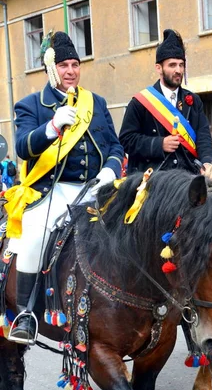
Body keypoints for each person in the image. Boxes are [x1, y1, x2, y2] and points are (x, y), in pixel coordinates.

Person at [5, 31, 124, 344]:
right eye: (64, 65)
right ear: (50, 69)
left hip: (96, 187)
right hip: (52, 190)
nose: (71, 70)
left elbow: (114, 144)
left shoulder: (95, 103)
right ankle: (26, 314)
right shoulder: (31, 105)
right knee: (33, 236)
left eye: (75, 64)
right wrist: (52, 127)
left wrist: (111, 170)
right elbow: (23, 147)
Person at [119, 29, 212, 174]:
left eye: (181, 65)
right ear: (159, 68)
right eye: (172, 65)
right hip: (154, 177)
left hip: (188, 175)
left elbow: (203, 136)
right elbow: (126, 140)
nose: (178, 70)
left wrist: (207, 162)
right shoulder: (140, 102)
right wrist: (159, 144)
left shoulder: (194, 101)